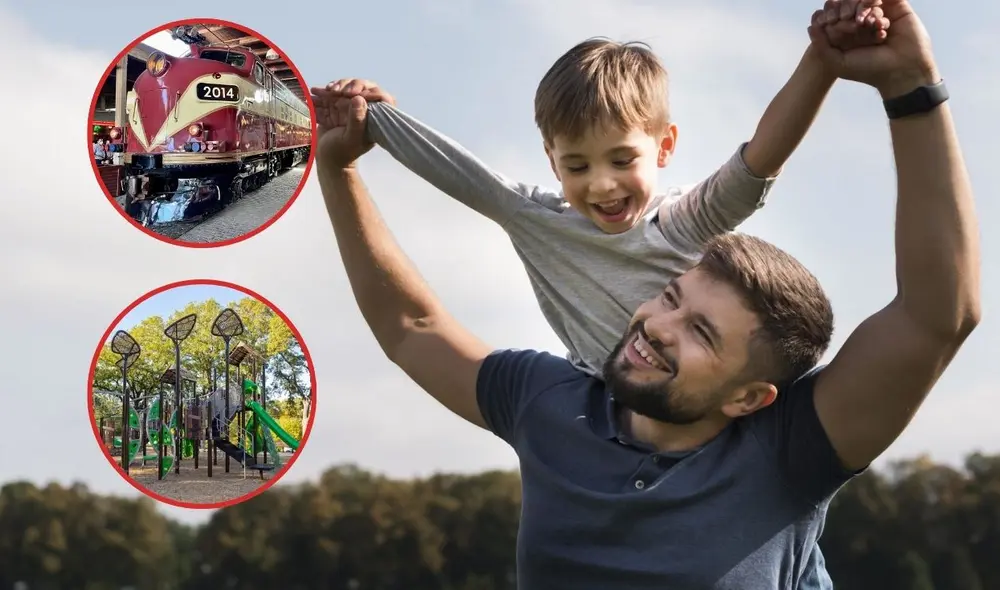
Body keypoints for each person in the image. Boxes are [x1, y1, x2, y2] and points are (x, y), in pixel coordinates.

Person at [317, 0, 980, 587]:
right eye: (670, 297)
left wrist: (909, 86)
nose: (661, 326)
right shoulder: (549, 406)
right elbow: (412, 327)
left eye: (703, 333)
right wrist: (338, 167)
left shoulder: (789, 453)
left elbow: (936, 317)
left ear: (751, 396)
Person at [311, 0, 889, 377]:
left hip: (719, 416)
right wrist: (371, 116)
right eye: (578, 165)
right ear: (552, 162)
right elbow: (457, 171)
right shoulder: (537, 220)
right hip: (609, 414)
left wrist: (823, 58)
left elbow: (761, 158)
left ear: (663, 148)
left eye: (621, 158)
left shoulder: (683, 222)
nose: (603, 184)